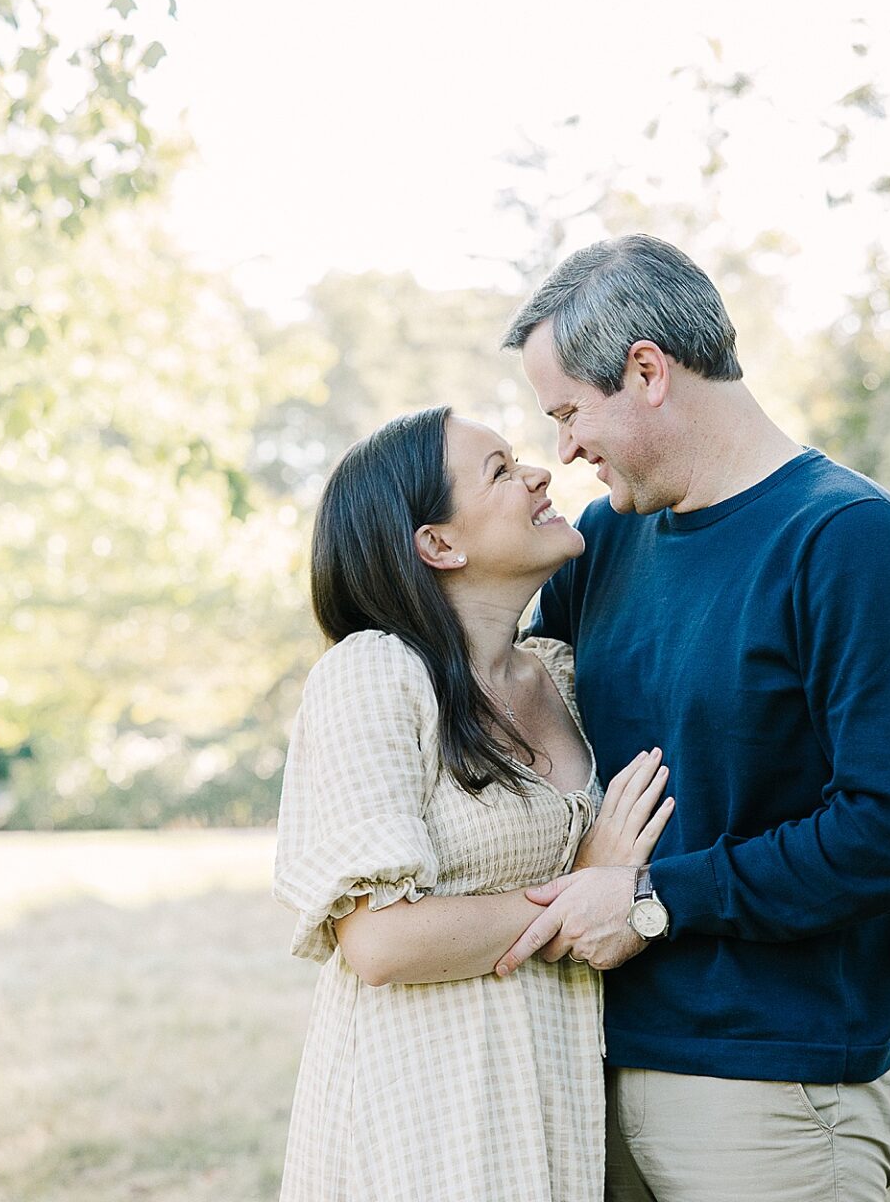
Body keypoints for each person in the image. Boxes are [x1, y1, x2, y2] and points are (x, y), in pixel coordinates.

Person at [492, 234, 890, 1202]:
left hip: (768, 1098)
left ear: (648, 371)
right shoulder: (604, 540)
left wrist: (654, 897)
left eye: (570, 412)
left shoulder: (848, 543)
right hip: (591, 1065)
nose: (564, 449)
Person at [273, 404, 676, 1202]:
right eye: (499, 470)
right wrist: (581, 895)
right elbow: (381, 942)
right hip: (420, 1116)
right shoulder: (375, 676)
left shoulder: (558, 675)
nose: (539, 472)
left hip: (552, 1098)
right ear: (439, 544)